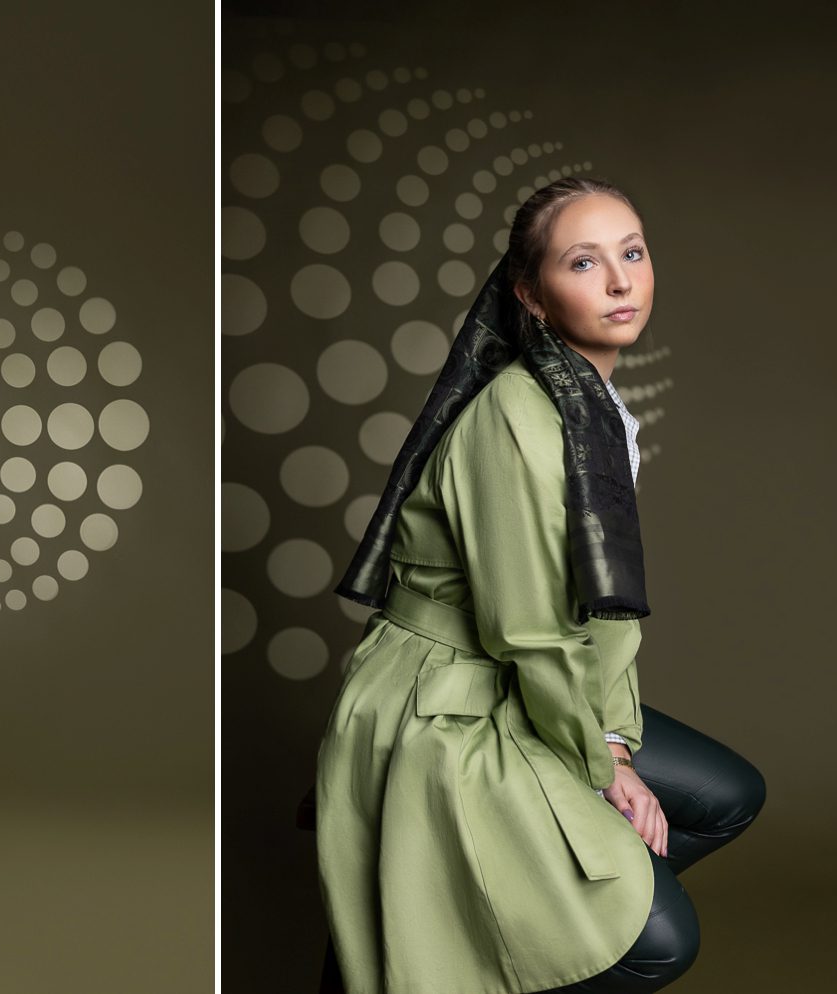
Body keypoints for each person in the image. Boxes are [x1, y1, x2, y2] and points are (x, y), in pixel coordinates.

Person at [314, 176, 766, 993]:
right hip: (446, 698)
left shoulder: (594, 405)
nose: (621, 281)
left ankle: (504, 932)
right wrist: (607, 766)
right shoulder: (515, 417)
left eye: (632, 253)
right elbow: (524, 627)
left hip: (529, 673)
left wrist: (615, 735)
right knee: (660, 942)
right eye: (584, 262)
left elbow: (600, 611)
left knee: (728, 795)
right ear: (531, 295)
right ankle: (482, 943)